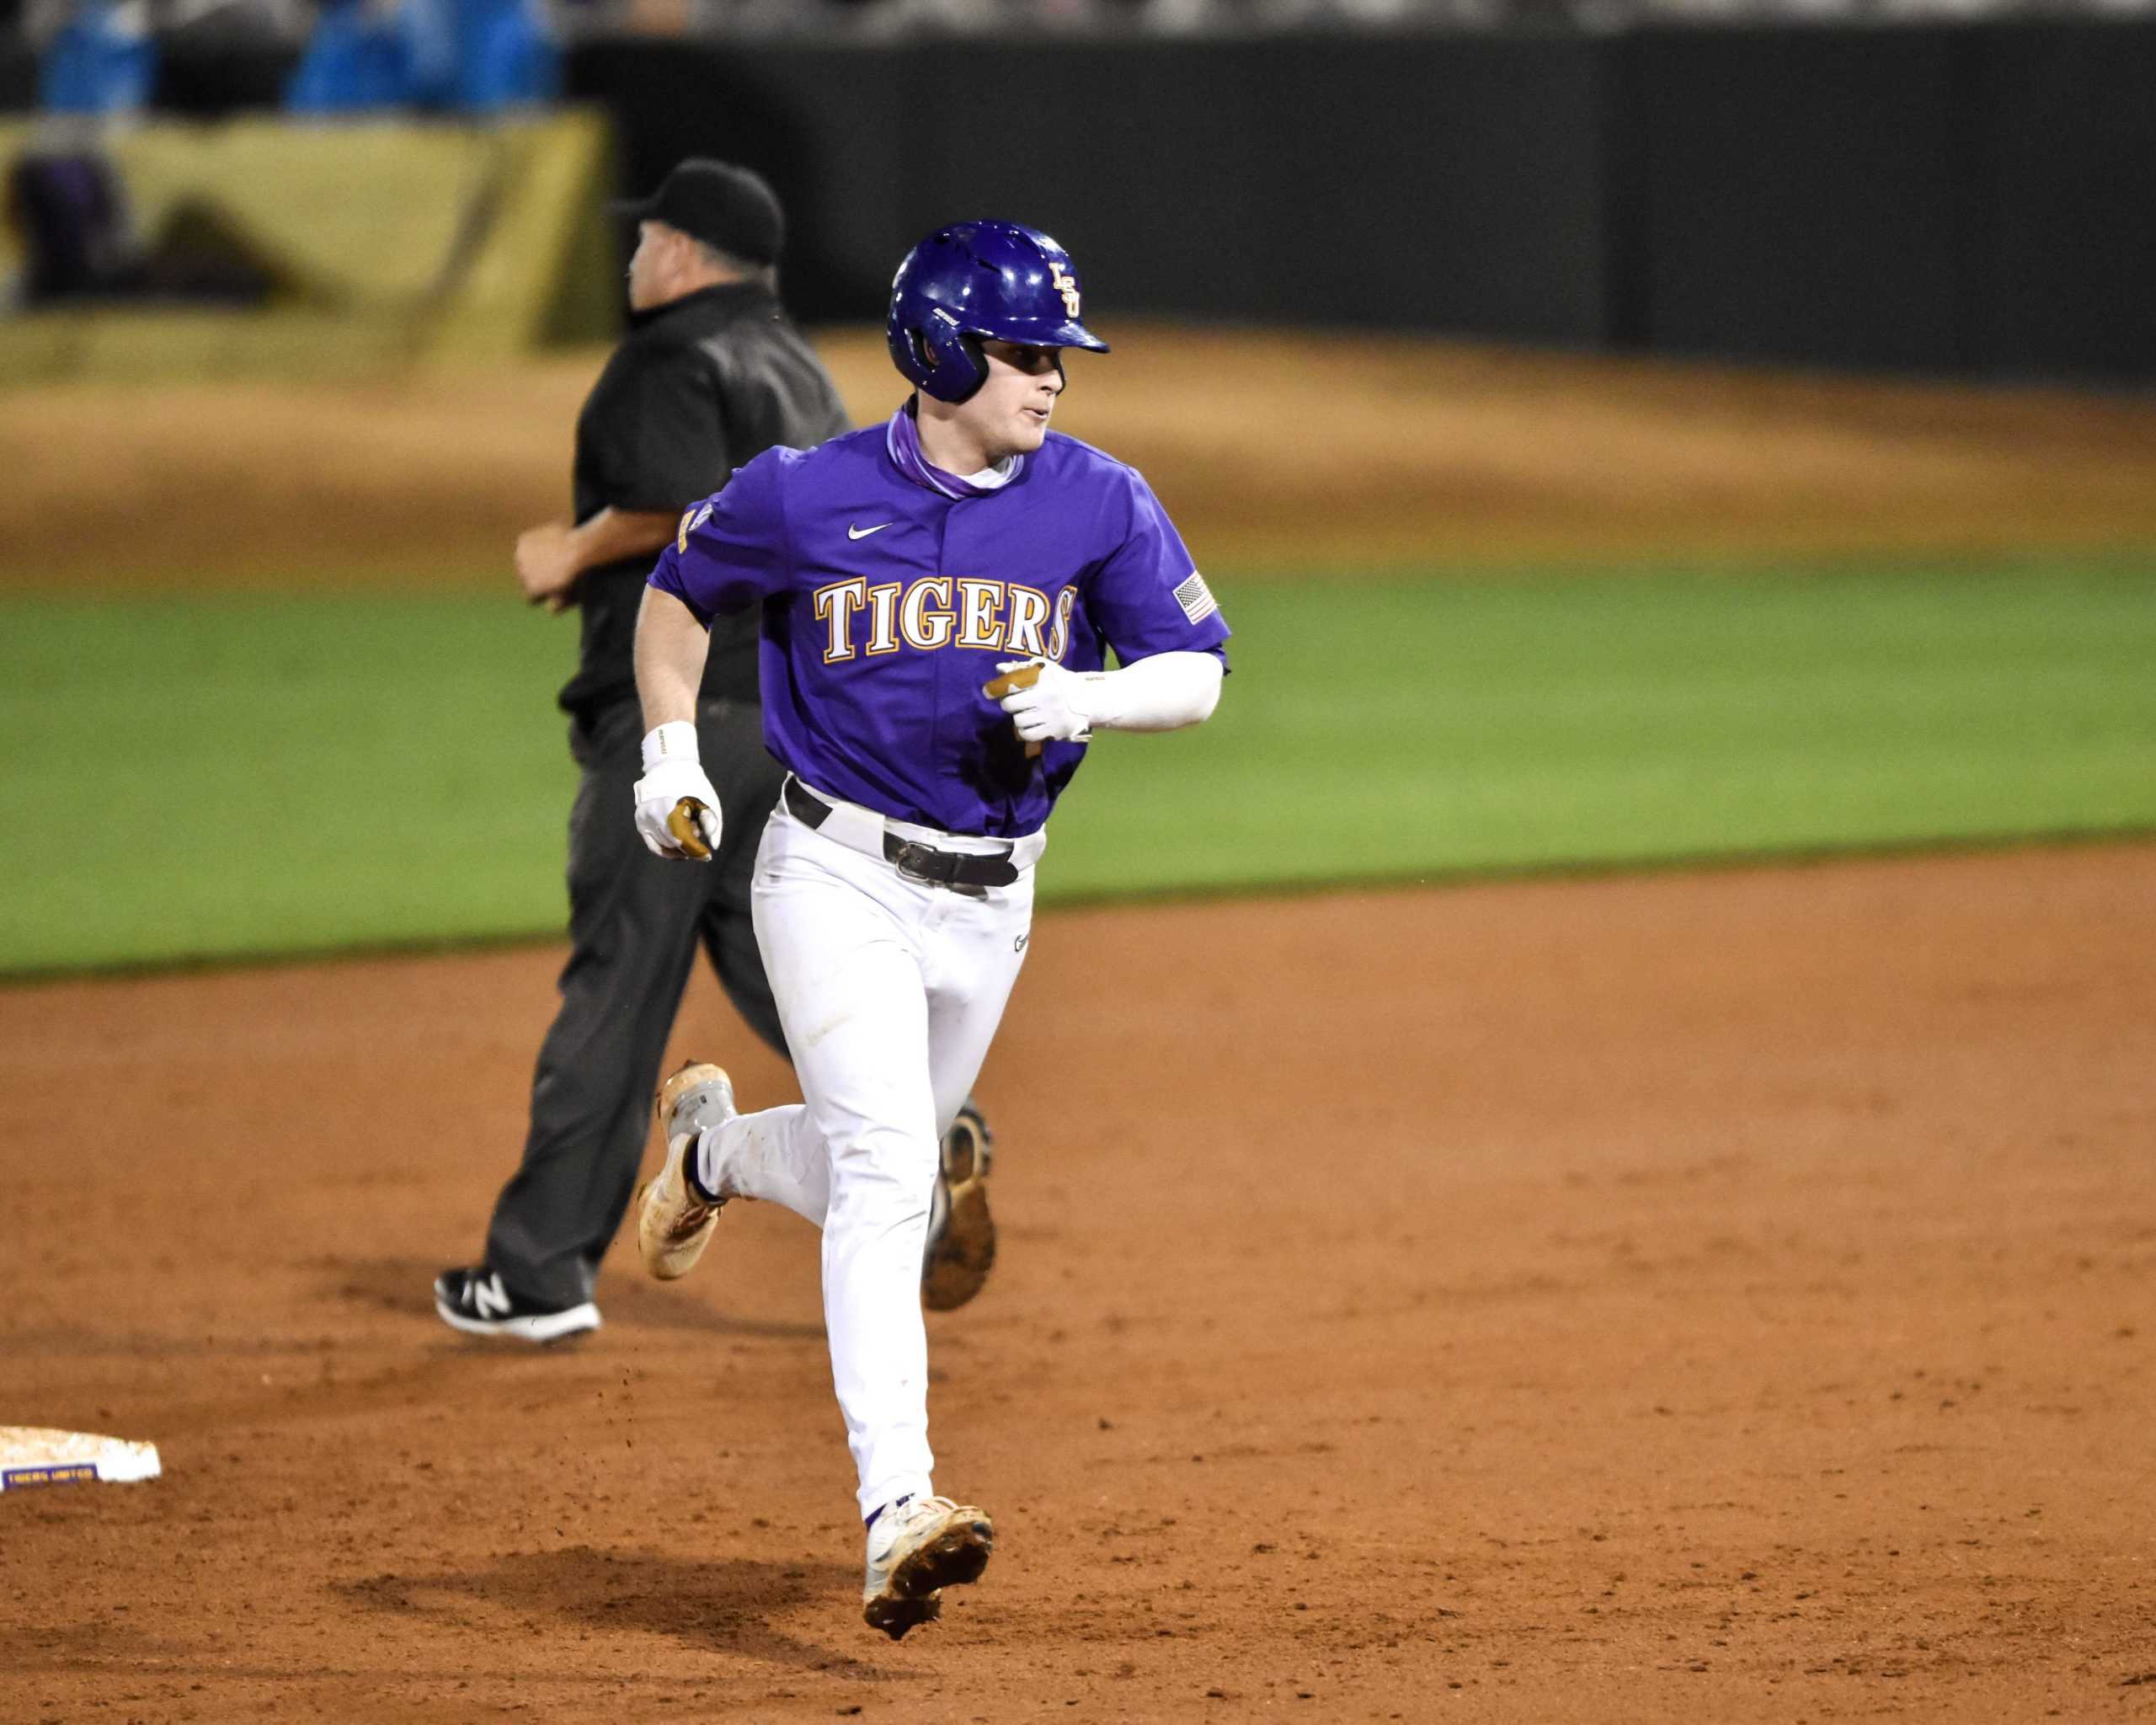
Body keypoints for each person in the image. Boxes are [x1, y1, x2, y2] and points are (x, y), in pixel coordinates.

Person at [624, 220, 1231, 1638]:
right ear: (943, 351)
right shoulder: (802, 495)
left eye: (1062, 357)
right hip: (832, 876)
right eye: (1028, 353)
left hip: (993, 902)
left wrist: (1091, 698)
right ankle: (900, 1506)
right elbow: (677, 596)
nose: (1054, 381)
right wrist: (669, 756)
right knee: (897, 1170)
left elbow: (1196, 671)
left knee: (870, 1180)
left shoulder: (1096, 500)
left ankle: (712, 1149)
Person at [433, 163, 1006, 1342]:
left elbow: (688, 506)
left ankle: (535, 1278)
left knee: (618, 989)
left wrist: (577, 549)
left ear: (687, 253)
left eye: (647, 236)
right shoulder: (799, 365)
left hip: (688, 726)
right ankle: (923, 1131)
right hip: (803, 729)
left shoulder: (664, 359)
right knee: (801, 982)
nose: (634, 251)